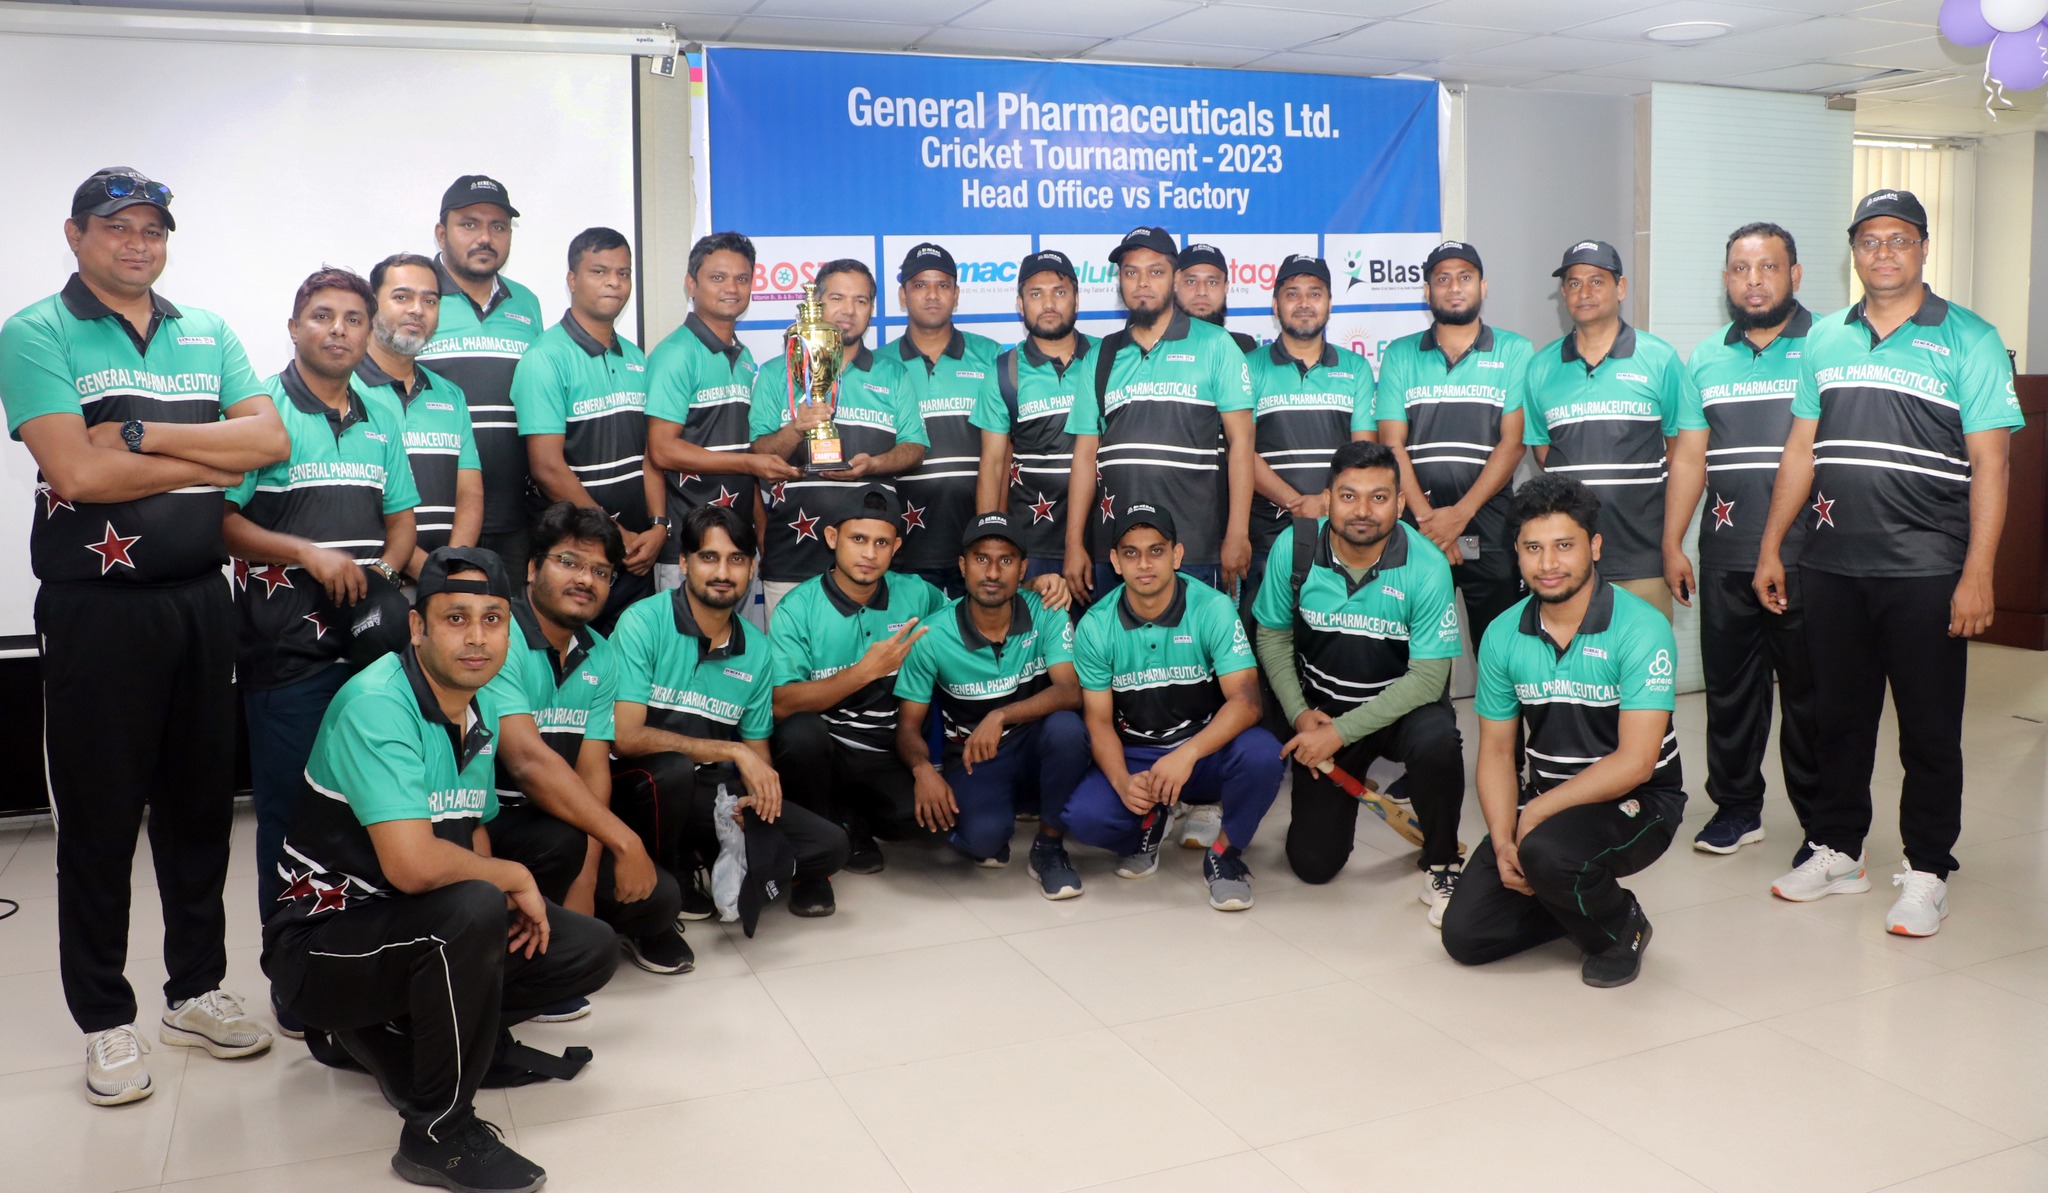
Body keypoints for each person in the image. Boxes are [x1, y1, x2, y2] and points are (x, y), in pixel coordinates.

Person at [0, 167, 287, 1105]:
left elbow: (268, 444)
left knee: (201, 810)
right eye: (117, 226)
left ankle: (194, 991)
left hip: (200, 599)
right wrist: (203, 450)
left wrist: (135, 435)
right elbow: (76, 476)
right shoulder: (38, 330)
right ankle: (104, 1019)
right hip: (99, 611)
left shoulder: (207, 330)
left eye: (152, 228)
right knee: (99, 821)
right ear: (75, 233)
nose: (137, 242)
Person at [261, 547, 617, 1193]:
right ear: (418, 627)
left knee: (585, 947)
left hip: (400, 928)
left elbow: (469, 825)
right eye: (456, 618)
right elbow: (414, 866)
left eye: (492, 619)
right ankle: (437, 1134)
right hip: (320, 947)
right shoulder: (378, 702)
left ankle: (420, 1038)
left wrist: (498, 901)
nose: (477, 637)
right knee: (475, 905)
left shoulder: (477, 704)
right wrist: (512, 880)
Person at [1755, 190, 2021, 936]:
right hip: (1832, 564)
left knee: (1929, 730)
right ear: (1854, 251)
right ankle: (1840, 849)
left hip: (1927, 568)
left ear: (1923, 247)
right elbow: (1801, 449)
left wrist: (1978, 572)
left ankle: (1928, 869)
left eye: (1898, 238)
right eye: (1869, 240)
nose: (1883, 252)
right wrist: (1773, 544)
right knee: (1838, 719)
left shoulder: (1969, 337)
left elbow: (1993, 465)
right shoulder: (1826, 338)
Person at [224, 268, 417, 919]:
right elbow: (220, 523)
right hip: (286, 654)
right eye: (322, 316)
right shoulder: (257, 412)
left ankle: (362, 949)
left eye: (353, 319)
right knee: (290, 813)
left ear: (369, 332)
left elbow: (401, 520)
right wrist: (306, 553)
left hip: (371, 656)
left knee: (373, 806)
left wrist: (381, 577)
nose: (339, 330)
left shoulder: (381, 411)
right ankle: (291, 954)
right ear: (293, 327)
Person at [1441, 477, 1682, 988]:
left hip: (1640, 800)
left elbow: (1637, 762)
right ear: (1517, 552)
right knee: (1467, 936)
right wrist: (1503, 840)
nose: (1548, 564)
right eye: (1533, 548)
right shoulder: (1503, 633)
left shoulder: (1641, 627)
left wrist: (1534, 817)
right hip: (1550, 797)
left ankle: (1621, 926)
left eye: (1564, 546)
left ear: (1595, 547)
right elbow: (1497, 752)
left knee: (1546, 853)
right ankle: (1562, 890)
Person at [1252, 441, 1467, 925]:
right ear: (1327, 499)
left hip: (1400, 710)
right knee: (1313, 865)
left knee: (1437, 740)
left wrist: (1340, 734)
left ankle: (1442, 861)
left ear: (1401, 503)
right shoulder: (1295, 547)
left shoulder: (1426, 564)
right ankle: (1347, 782)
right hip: (1323, 711)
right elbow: (1273, 636)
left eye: (1379, 497)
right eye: (1349, 496)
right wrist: (1300, 715)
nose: (1363, 511)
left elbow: (1428, 679)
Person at [611, 505, 851, 917]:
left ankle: (711, 853)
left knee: (830, 846)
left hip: (712, 792)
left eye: (736, 559)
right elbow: (626, 738)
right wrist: (732, 751)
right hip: (642, 789)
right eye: (709, 557)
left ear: (752, 568)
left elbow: (758, 754)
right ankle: (671, 877)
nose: (723, 572)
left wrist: (755, 804)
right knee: (673, 771)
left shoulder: (756, 648)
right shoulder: (643, 622)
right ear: (684, 563)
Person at [1663, 223, 1820, 857]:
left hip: (1810, 556)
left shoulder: (1829, 344)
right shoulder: (1705, 357)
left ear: (1795, 274)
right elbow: (1689, 459)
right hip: (1726, 553)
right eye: (1740, 269)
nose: (1753, 281)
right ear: (1726, 278)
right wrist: (1673, 542)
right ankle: (1736, 809)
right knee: (1730, 694)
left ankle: (1825, 827)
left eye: (1768, 267)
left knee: (1812, 699)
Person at [481, 502, 684, 983]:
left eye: (600, 572)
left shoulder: (600, 652)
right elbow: (527, 761)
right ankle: (517, 961)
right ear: (533, 569)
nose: (585, 580)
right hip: (487, 825)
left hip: (562, 821)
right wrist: (623, 841)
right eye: (569, 562)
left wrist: (588, 880)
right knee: (562, 842)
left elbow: (593, 771)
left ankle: (566, 929)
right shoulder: (498, 636)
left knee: (660, 899)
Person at [1066, 504, 1284, 911]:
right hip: (1138, 756)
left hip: (1204, 752)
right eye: (1131, 553)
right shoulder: (1096, 624)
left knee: (1263, 755)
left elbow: (1247, 702)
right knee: (1084, 819)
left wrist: (1187, 755)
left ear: (1177, 555)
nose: (1144, 564)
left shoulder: (1212, 607)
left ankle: (1225, 854)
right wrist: (1122, 782)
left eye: (1156, 551)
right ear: (1115, 561)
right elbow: (1097, 720)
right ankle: (1152, 820)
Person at [895, 512, 1090, 898]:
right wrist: (923, 769)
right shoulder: (932, 635)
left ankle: (1049, 847)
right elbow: (907, 727)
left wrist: (1001, 715)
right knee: (982, 840)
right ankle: (994, 817)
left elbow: (1070, 691)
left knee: (1067, 729)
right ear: (963, 565)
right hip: (976, 757)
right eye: (981, 559)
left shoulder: (1047, 611)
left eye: (1006, 560)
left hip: (1036, 747)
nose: (993, 572)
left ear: (1023, 569)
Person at [1066, 227, 1257, 603]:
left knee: (1195, 642)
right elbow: (1085, 455)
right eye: (1130, 272)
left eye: (1155, 271)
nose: (1142, 282)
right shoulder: (1101, 356)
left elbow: (1242, 442)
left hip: (1194, 545)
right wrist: (1073, 542)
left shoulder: (1216, 345)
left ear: (1175, 279)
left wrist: (1238, 532)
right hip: (1115, 550)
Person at [767, 486, 947, 875]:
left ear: (896, 547)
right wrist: (865, 671)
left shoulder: (918, 593)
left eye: (881, 543)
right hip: (826, 751)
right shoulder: (797, 608)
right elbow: (781, 703)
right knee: (800, 734)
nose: (869, 554)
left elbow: (969, 617)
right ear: (833, 538)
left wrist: (1034, 589)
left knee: (935, 827)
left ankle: (857, 819)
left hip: (887, 749)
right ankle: (824, 828)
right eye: (858, 539)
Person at [1523, 240, 1695, 619]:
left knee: (1644, 653)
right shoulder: (1540, 367)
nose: (1584, 292)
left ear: (1621, 288)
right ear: (1563, 294)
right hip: (1566, 564)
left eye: (1596, 281)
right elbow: (1544, 451)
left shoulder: (1659, 359)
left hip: (1643, 557)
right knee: (1569, 656)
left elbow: (1681, 453)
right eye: (1573, 283)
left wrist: (1671, 545)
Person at [748, 259, 926, 617]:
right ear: (817, 305)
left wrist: (873, 465)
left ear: (872, 309)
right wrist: (796, 428)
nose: (849, 310)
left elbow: (915, 448)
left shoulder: (892, 374)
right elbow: (759, 454)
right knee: (790, 654)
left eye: (861, 300)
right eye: (837, 298)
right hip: (792, 556)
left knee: (871, 653)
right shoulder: (776, 373)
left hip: (870, 564)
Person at [1377, 240, 1533, 646]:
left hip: (1488, 528)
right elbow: (1391, 445)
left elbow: (1514, 443)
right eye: (1442, 279)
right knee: (1417, 654)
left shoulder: (1515, 350)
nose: (1454, 287)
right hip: (1418, 527)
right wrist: (1430, 522)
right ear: (1427, 291)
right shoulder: (1400, 354)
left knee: (1501, 650)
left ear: (1483, 287)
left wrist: (1459, 516)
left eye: (1465, 277)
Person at [512, 227, 662, 632]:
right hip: (576, 556)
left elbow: (649, 455)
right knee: (573, 657)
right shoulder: (545, 358)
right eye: (599, 271)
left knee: (632, 658)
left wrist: (658, 527)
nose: (614, 282)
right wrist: (615, 534)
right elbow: (547, 468)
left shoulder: (636, 358)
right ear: (572, 280)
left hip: (636, 553)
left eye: (623, 273)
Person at [645, 231, 791, 593]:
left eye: (742, 278)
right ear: (691, 285)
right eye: (718, 277)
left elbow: (740, 453)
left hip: (737, 542)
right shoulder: (676, 354)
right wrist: (750, 463)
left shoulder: (744, 356)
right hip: (688, 545)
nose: (731, 288)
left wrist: (761, 529)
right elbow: (662, 450)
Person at [418, 175, 544, 582]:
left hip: (515, 517)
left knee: (509, 618)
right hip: (432, 517)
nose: (485, 238)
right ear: (441, 233)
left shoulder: (527, 303)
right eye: (469, 224)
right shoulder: (417, 301)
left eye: (498, 226)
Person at [973, 249, 1094, 580]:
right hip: (1031, 543)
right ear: (1020, 303)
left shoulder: (1108, 357)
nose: (1049, 304)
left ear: (1077, 300)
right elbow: (992, 464)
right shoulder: (1004, 371)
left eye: (1060, 292)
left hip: (1102, 539)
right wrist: (989, 543)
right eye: (1036, 294)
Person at [358, 253, 483, 573]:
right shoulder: (344, 389)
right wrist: (428, 572)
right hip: (370, 577)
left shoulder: (451, 395)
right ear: (371, 304)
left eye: (430, 301)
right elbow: (357, 501)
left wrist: (453, 565)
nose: (417, 309)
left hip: (446, 577)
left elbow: (469, 493)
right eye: (402, 297)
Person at [890, 243, 1002, 597]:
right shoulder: (879, 364)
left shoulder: (992, 356)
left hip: (977, 539)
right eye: (920, 285)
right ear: (903, 295)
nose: (932, 295)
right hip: (902, 543)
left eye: (942, 285)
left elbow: (1008, 450)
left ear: (956, 295)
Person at [1174, 241, 1257, 352]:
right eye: (1191, 281)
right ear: (1175, 285)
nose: (1202, 291)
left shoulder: (1245, 348)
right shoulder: (1156, 348)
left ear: (1226, 288)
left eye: (1212, 282)